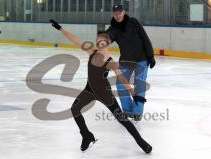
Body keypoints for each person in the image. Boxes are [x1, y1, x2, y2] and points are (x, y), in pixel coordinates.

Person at [50, 19, 152, 153]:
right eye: (98, 42)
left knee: (123, 120)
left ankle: (141, 142)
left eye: (102, 42)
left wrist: (134, 94)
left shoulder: (110, 61)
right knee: (75, 109)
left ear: (107, 44)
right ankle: (86, 135)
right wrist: (61, 28)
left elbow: (122, 78)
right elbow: (74, 39)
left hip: (105, 94)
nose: (99, 44)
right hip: (89, 90)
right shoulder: (91, 51)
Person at [106, 4, 156, 120]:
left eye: (119, 13)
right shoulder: (113, 28)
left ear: (124, 12)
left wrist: (150, 56)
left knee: (140, 85)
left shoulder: (133, 22)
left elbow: (144, 37)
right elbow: (109, 36)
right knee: (120, 85)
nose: (118, 15)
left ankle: (137, 112)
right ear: (113, 15)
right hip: (125, 61)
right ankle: (128, 111)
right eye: (115, 13)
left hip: (141, 59)